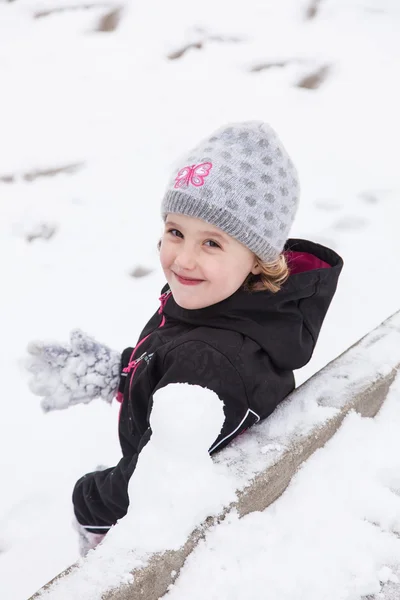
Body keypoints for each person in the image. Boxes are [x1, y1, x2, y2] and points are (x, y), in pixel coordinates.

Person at [26, 121, 343, 555]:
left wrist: (89, 500)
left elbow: (152, 482)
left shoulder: (210, 361)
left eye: (212, 243)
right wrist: (119, 372)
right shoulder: (232, 308)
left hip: (159, 535)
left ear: (257, 259)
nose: (184, 259)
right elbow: (175, 356)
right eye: (176, 232)